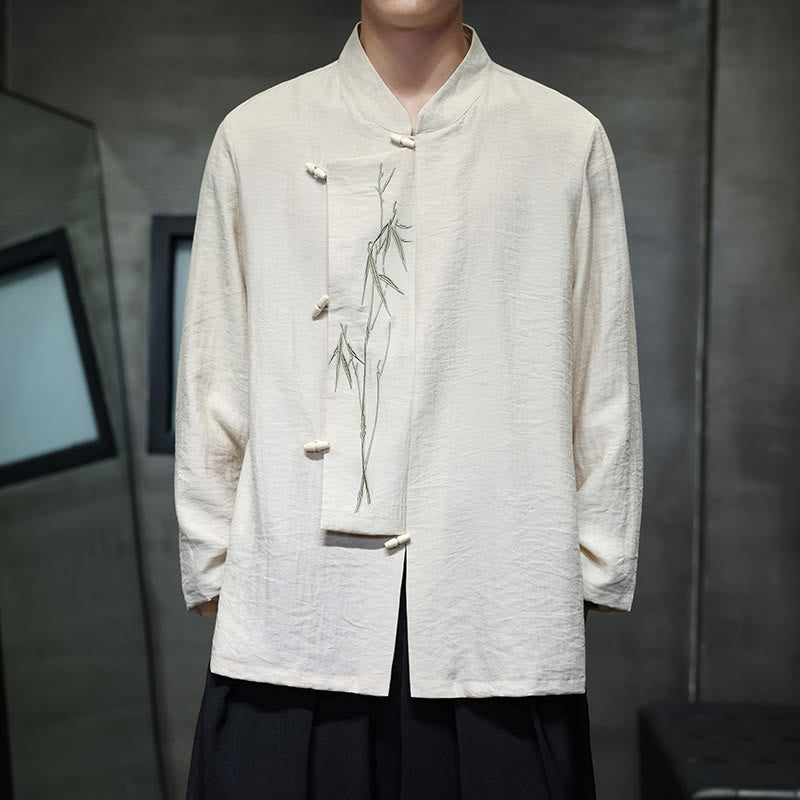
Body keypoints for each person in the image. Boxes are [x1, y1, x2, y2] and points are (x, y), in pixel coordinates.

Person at [176, 1, 643, 797]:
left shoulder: (563, 140)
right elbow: (213, 365)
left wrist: (590, 562)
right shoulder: (256, 136)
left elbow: (603, 370)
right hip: (295, 608)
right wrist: (216, 559)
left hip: (496, 605)